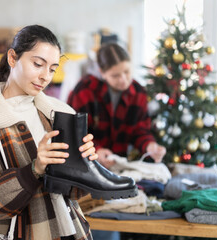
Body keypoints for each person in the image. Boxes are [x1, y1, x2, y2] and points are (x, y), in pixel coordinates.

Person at [0, 25, 98, 240]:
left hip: (72, 233)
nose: (45, 76)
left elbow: (74, 194)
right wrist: (34, 169)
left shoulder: (60, 113)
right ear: (13, 58)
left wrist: (85, 164)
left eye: (52, 69)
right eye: (38, 64)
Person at [67, 42, 166, 240]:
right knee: (94, 223)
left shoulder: (138, 92)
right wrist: (97, 150)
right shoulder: (84, 90)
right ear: (101, 72)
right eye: (115, 75)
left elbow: (141, 130)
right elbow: (73, 133)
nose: (124, 80)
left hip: (117, 170)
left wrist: (149, 145)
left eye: (127, 72)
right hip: (86, 170)